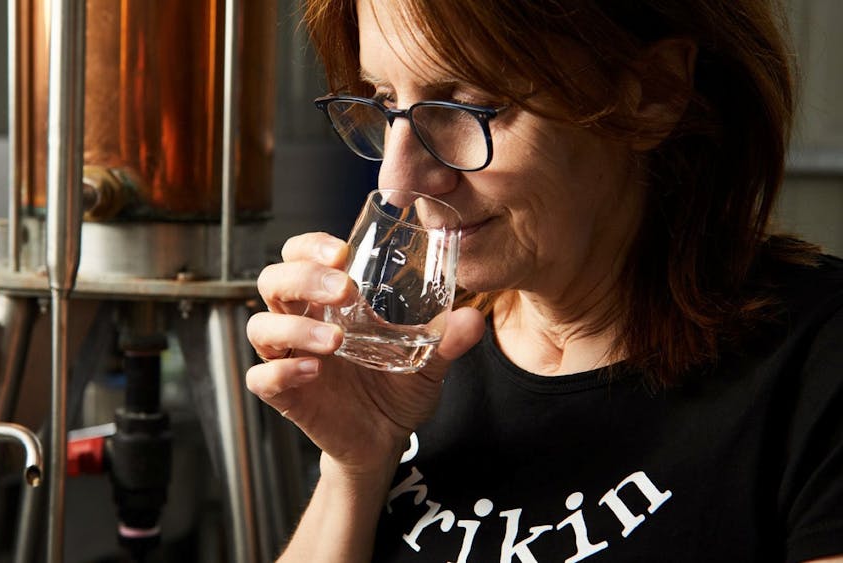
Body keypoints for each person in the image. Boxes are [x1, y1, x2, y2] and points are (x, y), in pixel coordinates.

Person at [245, 0, 843, 561]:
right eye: (384, 102)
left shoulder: (819, 358)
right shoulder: (407, 348)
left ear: (653, 94)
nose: (399, 180)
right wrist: (354, 465)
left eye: (463, 105)